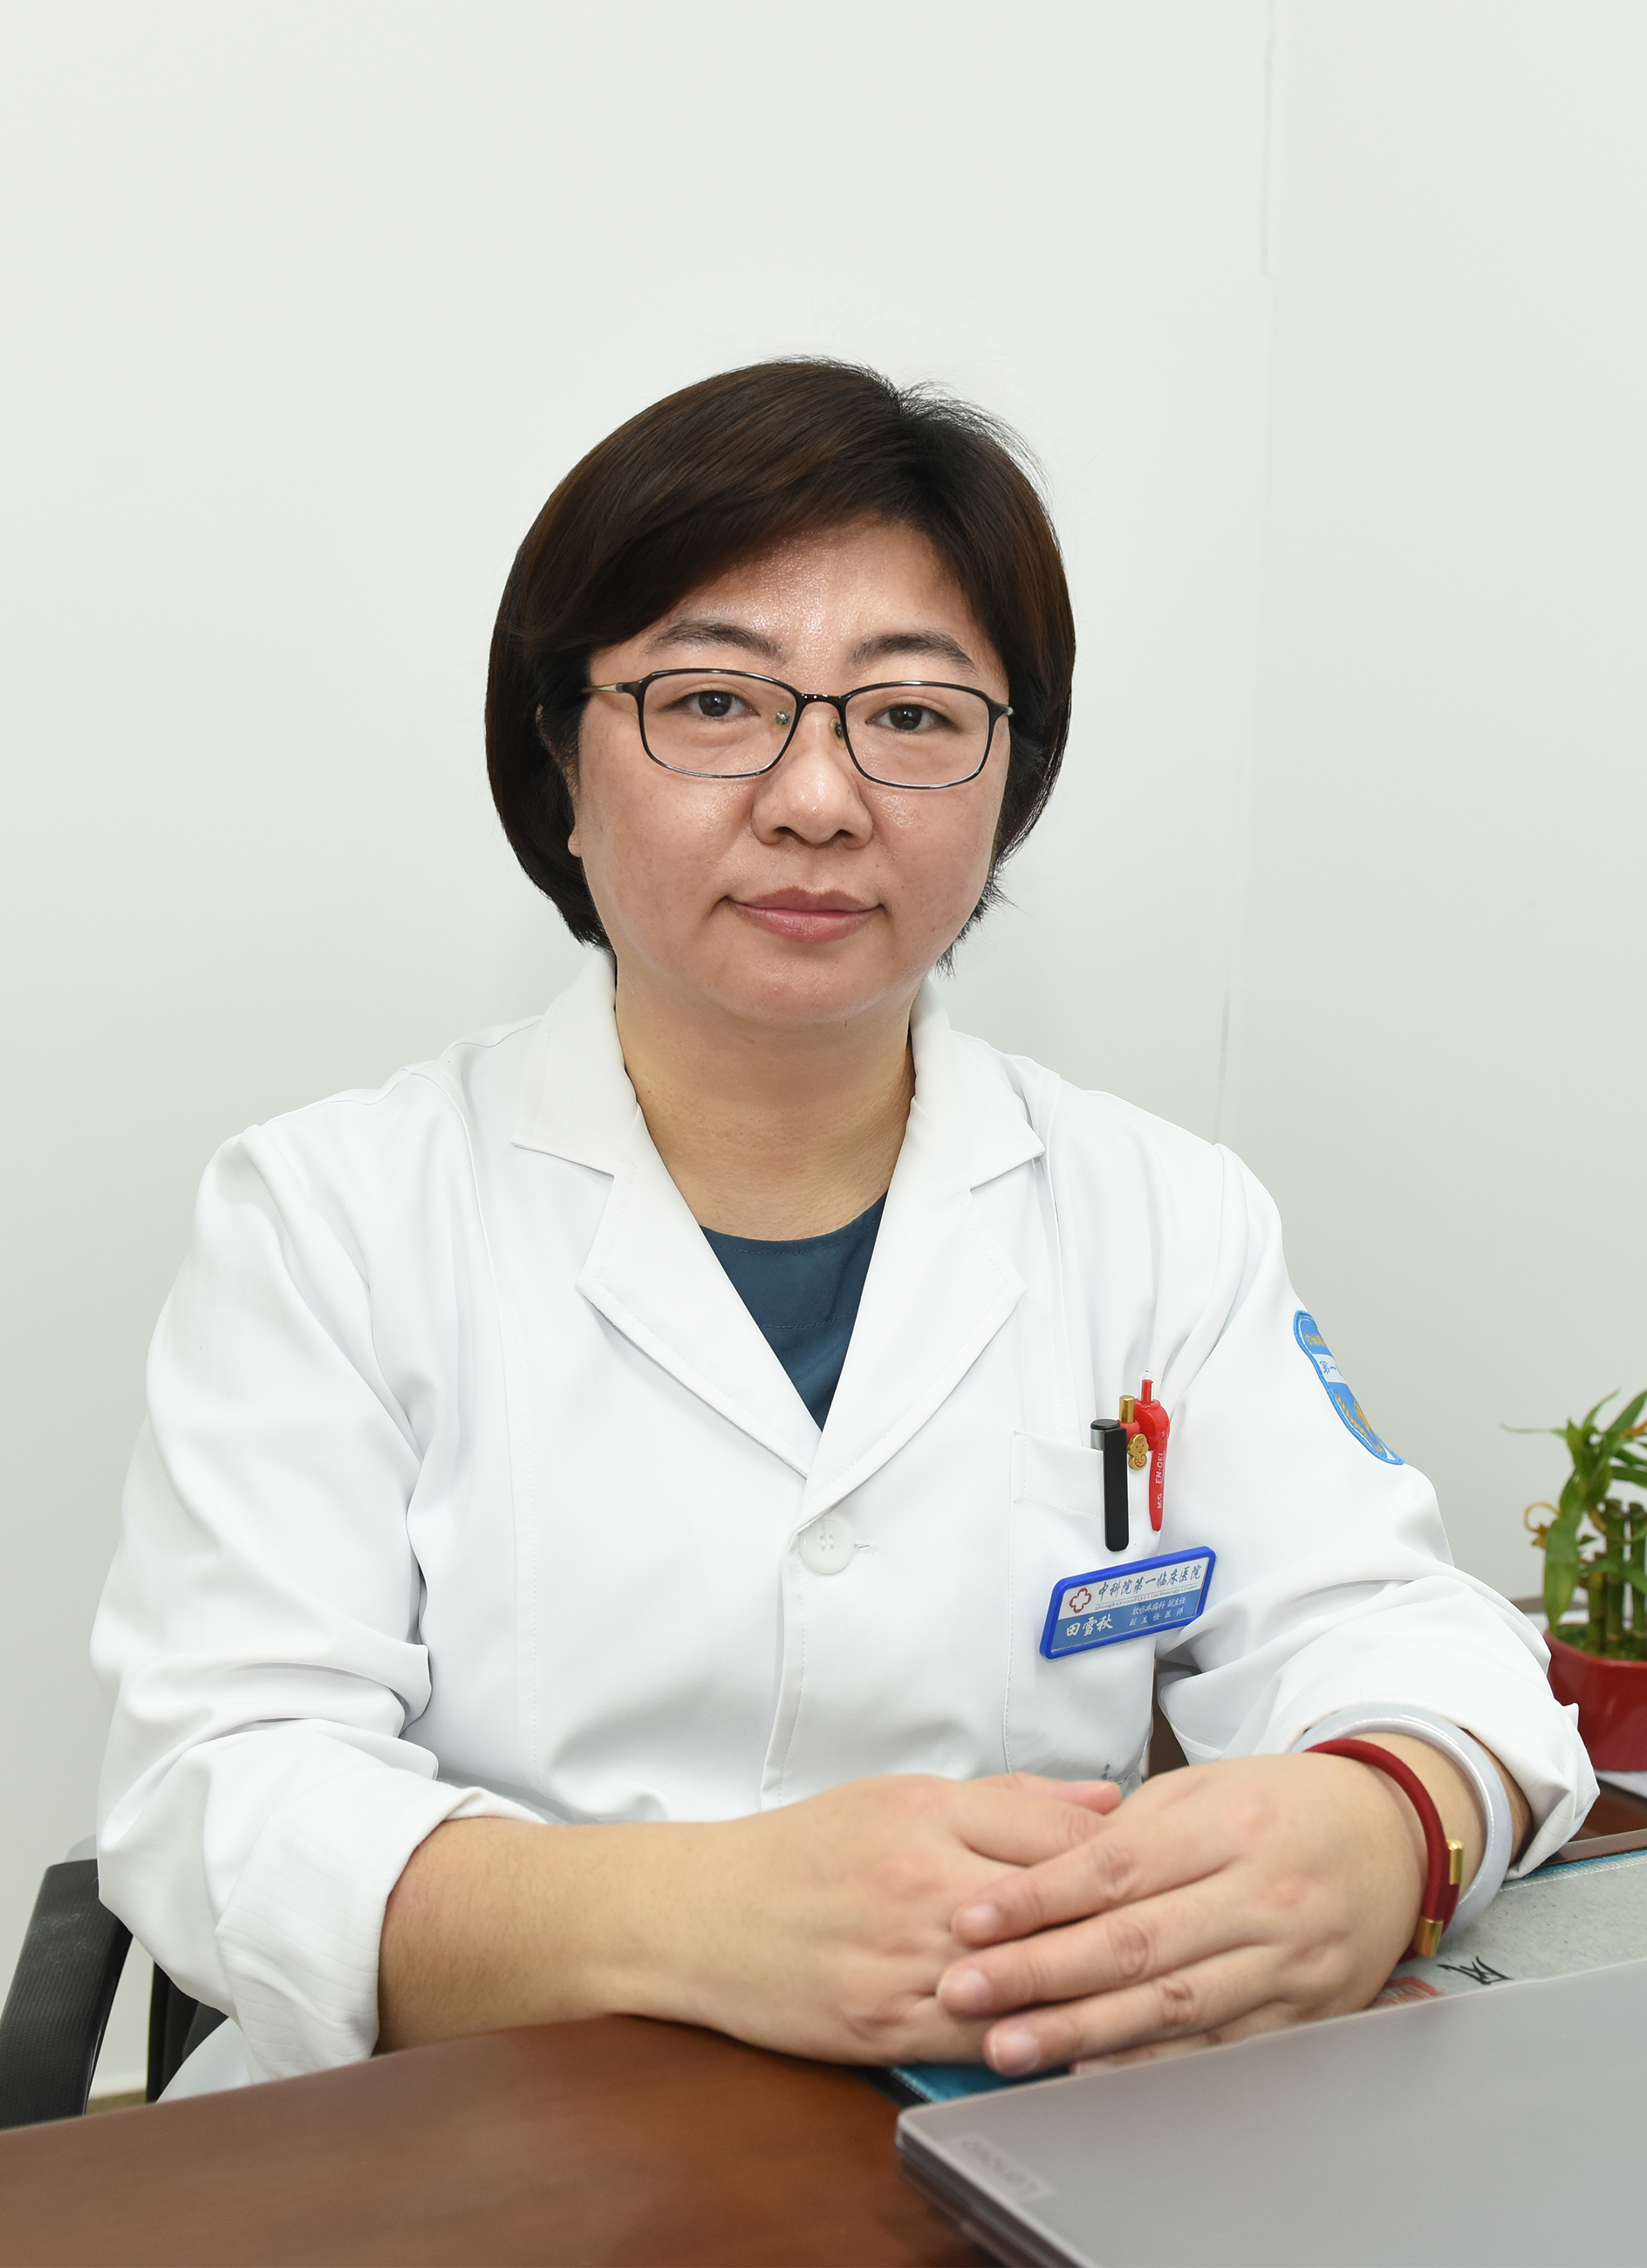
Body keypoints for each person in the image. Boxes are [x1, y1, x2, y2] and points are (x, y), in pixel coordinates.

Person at [92, 360, 1592, 2096]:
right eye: (713, 700)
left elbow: (1394, 1627)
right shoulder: (333, 1216)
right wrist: (686, 1914)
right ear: (558, 761)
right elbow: (216, 1790)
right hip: (469, 2140)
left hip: (1016, 2120)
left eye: (912, 716)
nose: (817, 797)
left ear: (1008, 778)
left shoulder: (1157, 1215)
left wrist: (1386, 1818)